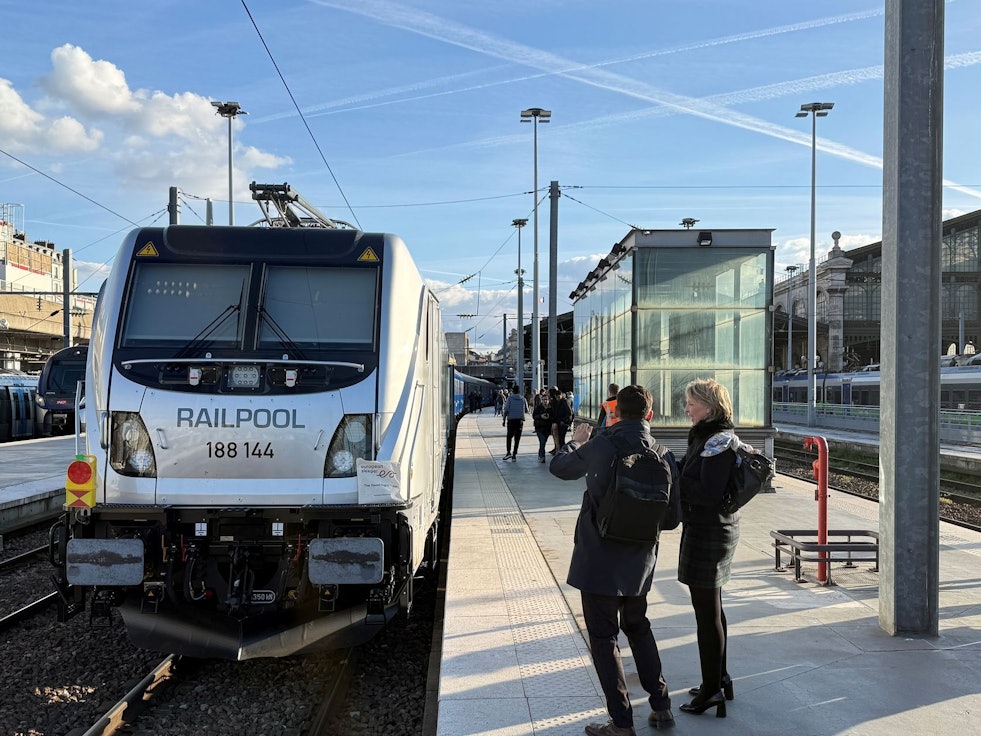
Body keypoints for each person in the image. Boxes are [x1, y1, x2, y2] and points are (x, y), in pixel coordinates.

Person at [550, 385, 681, 736]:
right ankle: (662, 705)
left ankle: (622, 724)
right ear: (650, 416)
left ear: (615, 411)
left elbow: (560, 468)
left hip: (598, 560)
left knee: (605, 639)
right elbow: (671, 519)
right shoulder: (663, 454)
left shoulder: (603, 443)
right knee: (638, 627)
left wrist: (575, 441)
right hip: (639, 562)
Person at [677, 378, 739, 719]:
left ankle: (711, 690)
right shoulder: (707, 436)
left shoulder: (718, 442)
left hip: (711, 530)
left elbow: (708, 492)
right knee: (712, 606)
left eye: (691, 403)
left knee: (706, 613)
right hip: (706, 527)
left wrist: (676, 475)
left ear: (709, 407)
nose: (686, 409)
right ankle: (720, 677)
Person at [501, 383, 528, 461]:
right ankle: (514, 455)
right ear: (519, 391)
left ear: (513, 391)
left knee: (509, 437)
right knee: (517, 438)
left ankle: (508, 452)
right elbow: (527, 410)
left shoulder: (509, 398)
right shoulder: (523, 399)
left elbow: (506, 410)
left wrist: (503, 420)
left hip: (511, 420)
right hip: (519, 421)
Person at [548, 386, 572, 453]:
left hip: (564, 423)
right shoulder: (558, 402)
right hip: (560, 422)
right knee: (559, 438)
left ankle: (564, 452)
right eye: (556, 397)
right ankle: (561, 451)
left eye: (558, 397)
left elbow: (569, 413)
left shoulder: (565, 402)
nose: (557, 398)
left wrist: (564, 421)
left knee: (561, 438)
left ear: (561, 395)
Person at [532, 391, 553, 463]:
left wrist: (549, 417)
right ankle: (542, 457)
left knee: (543, 443)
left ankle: (540, 453)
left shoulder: (551, 408)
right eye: (543, 399)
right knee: (542, 441)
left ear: (548, 400)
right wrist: (540, 416)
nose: (545, 401)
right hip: (539, 428)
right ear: (541, 400)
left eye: (546, 399)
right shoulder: (538, 407)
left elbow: (554, 417)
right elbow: (534, 416)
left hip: (547, 428)